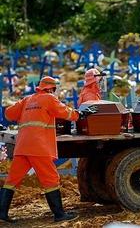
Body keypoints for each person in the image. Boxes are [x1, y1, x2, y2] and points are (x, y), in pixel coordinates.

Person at [0, 76, 97, 223]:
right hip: (38, 147)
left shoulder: (27, 100)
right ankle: (59, 214)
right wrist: (80, 114)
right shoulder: (49, 99)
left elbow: (9, 113)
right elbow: (65, 112)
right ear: (52, 88)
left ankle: (2, 213)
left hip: (22, 146)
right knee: (50, 179)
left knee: (11, 180)